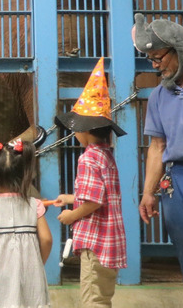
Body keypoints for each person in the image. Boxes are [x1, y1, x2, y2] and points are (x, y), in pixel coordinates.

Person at [132, 13, 183, 307]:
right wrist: (148, 192)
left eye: (158, 57)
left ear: (179, 49)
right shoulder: (158, 96)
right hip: (176, 182)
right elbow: (156, 146)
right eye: (149, 59)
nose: (154, 65)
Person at [54, 57, 128, 308]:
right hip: (110, 243)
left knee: (93, 300)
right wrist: (70, 198)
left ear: (85, 130)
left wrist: (71, 215)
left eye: (76, 129)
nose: (75, 134)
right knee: (103, 298)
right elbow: (101, 196)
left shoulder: (88, 159)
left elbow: (94, 202)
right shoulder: (106, 155)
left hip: (95, 246)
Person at [0, 127, 52, 308]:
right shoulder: (34, 205)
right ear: (24, 174)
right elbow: (46, 239)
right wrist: (36, 262)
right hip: (29, 274)